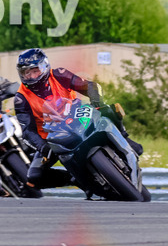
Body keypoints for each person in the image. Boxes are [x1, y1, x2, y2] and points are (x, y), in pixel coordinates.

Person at [13, 48, 142, 191]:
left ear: (44, 66)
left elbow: (91, 86)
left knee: (107, 109)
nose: (31, 76)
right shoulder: (21, 98)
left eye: (34, 70)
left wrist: (96, 104)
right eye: (26, 73)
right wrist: (43, 147)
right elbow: (27, 131)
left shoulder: (59, 74)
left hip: (77, 117)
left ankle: (125, 139)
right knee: (34, 177)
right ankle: (74, 178)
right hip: (53, 138)